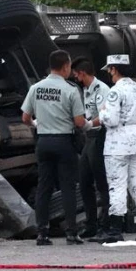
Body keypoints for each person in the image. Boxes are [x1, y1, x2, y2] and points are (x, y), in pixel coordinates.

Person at [21, 50, 89, 246]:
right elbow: (78, 122)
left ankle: (42, 232)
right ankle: (71, 233)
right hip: (64, 143)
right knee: (67, 187)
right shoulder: (70, 90)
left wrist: (37, 124)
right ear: (66, 66)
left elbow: (25, 118)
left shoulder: (36, 88)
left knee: (44, 187)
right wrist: (89, 124)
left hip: (43, 142)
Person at [97, 54, 136, 244]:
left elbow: (111, 120)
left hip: (118, 142)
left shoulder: (114, 92)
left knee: (117, 184)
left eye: (110, 71)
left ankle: (115, 230)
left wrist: (102, 112)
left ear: (114, 69)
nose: (109, 75)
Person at [71, 57, 111, 241]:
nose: (75, 78)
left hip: (99, 136)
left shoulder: (101, 89)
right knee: (85, 181)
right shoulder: (86, 90)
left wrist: (87, 124)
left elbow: (103, 116)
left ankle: (106, 224)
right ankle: (91, 224)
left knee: (102, 182)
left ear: (82, 73)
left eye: (76, 74)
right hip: (89, 138)